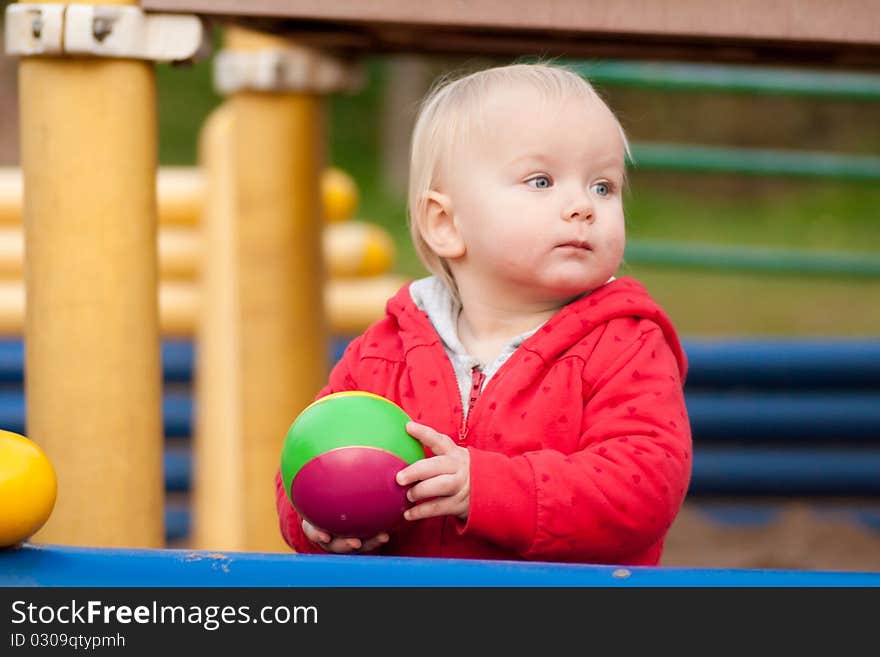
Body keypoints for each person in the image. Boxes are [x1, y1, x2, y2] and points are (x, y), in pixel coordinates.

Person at [275, 62, 692, 566]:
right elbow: (311, 456)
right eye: (541, 180)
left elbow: (643, 486)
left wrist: (487, 488)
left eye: (603, 186)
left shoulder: (625, 345)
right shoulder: (386, 352)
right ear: (445, 223)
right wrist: (318, 523)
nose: (583, 205)